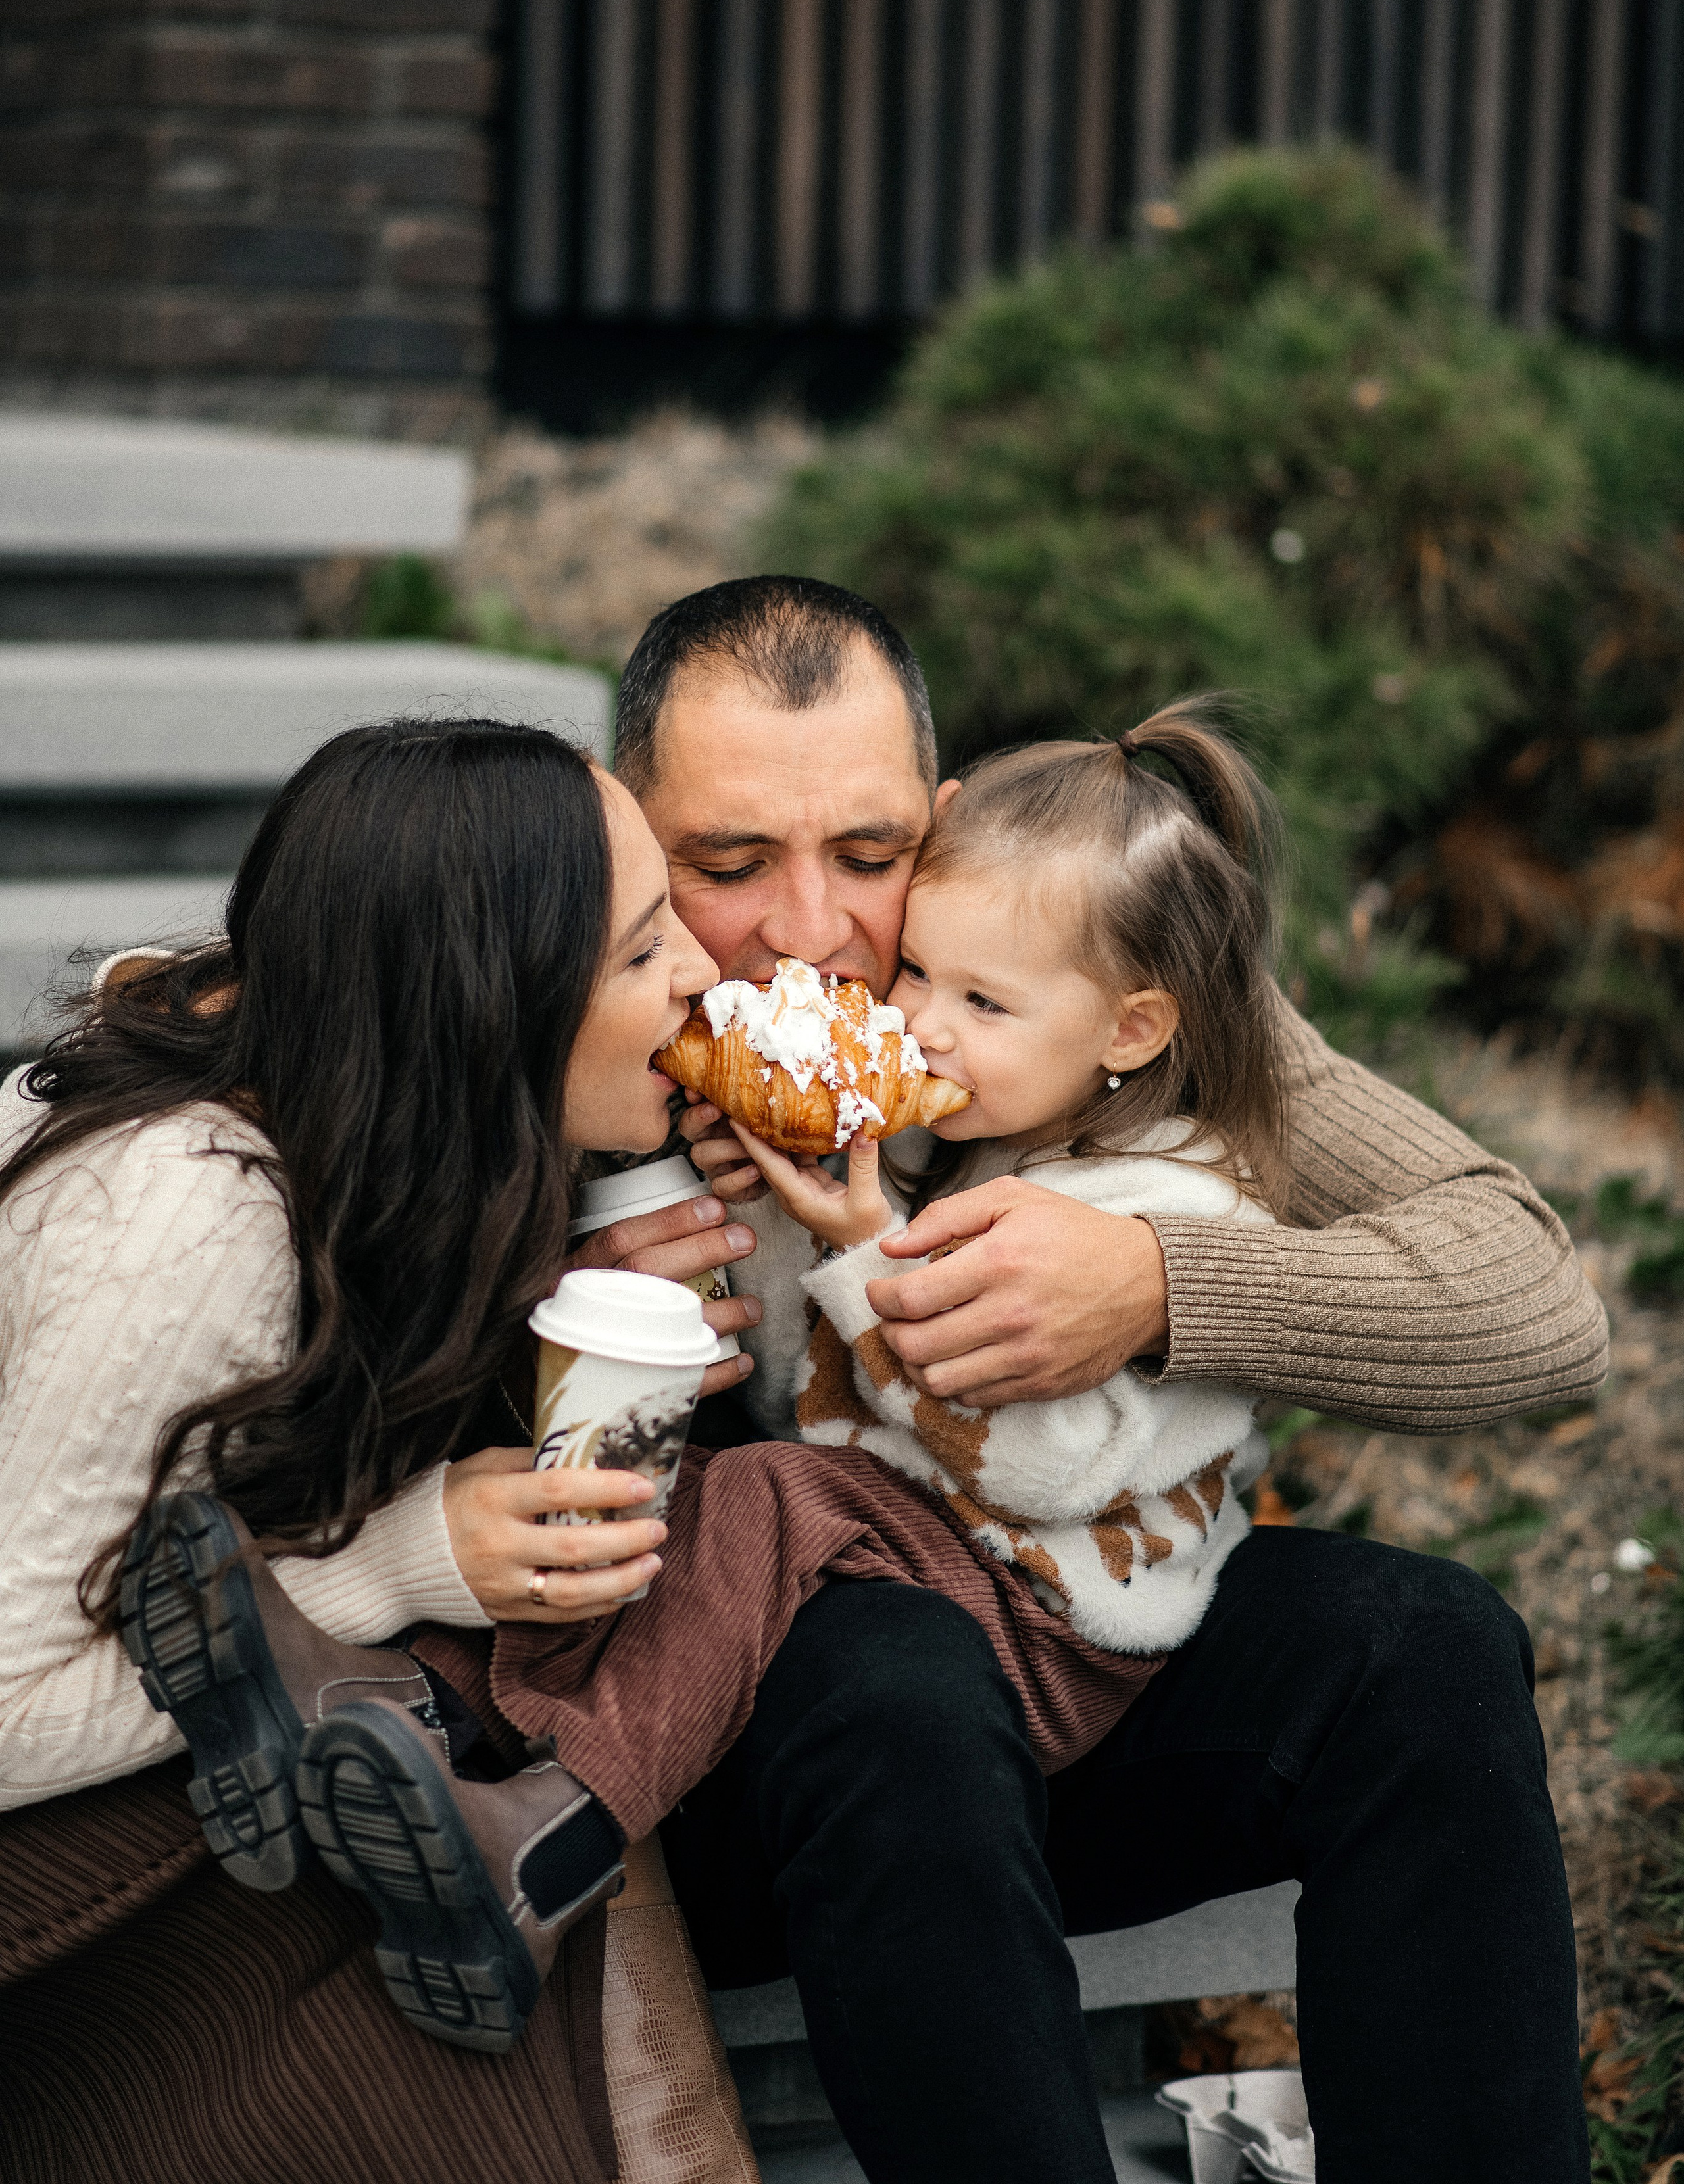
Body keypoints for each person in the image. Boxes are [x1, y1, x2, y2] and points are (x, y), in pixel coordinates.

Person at [583, 574, 1604, 2184]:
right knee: (891, 1676)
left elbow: (1532, 1297)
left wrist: (1156, 1284)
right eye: (723, 865)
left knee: (1425, 1648)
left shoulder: (1059, 964)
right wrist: (537, 1319)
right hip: (723, 1758)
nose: (808, 931)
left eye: (868, 856)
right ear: (624, 835)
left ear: (941, 821)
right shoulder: (527, 976)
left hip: (1057, 1649)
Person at [0, 719, 760, 2182]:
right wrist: (394, 1566)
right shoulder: (187, 1217)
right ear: (489, 1005)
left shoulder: (387, 1147)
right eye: (641, 951)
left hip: (192, 1786)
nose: (701, 981)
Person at [733, 708, 1291, 1657]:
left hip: (1061, 1614)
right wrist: (774, 1196)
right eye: (915, 969)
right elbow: (798, 1392)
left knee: (754, 1503)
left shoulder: (1177, 1208)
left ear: (1129, 1031)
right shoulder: (954, 1134)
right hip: (916, 1568)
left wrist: (873, 1250)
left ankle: (570, 1788)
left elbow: (1042, 1470)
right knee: (740, 1499)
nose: (923, 1023)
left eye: (984, 1001)